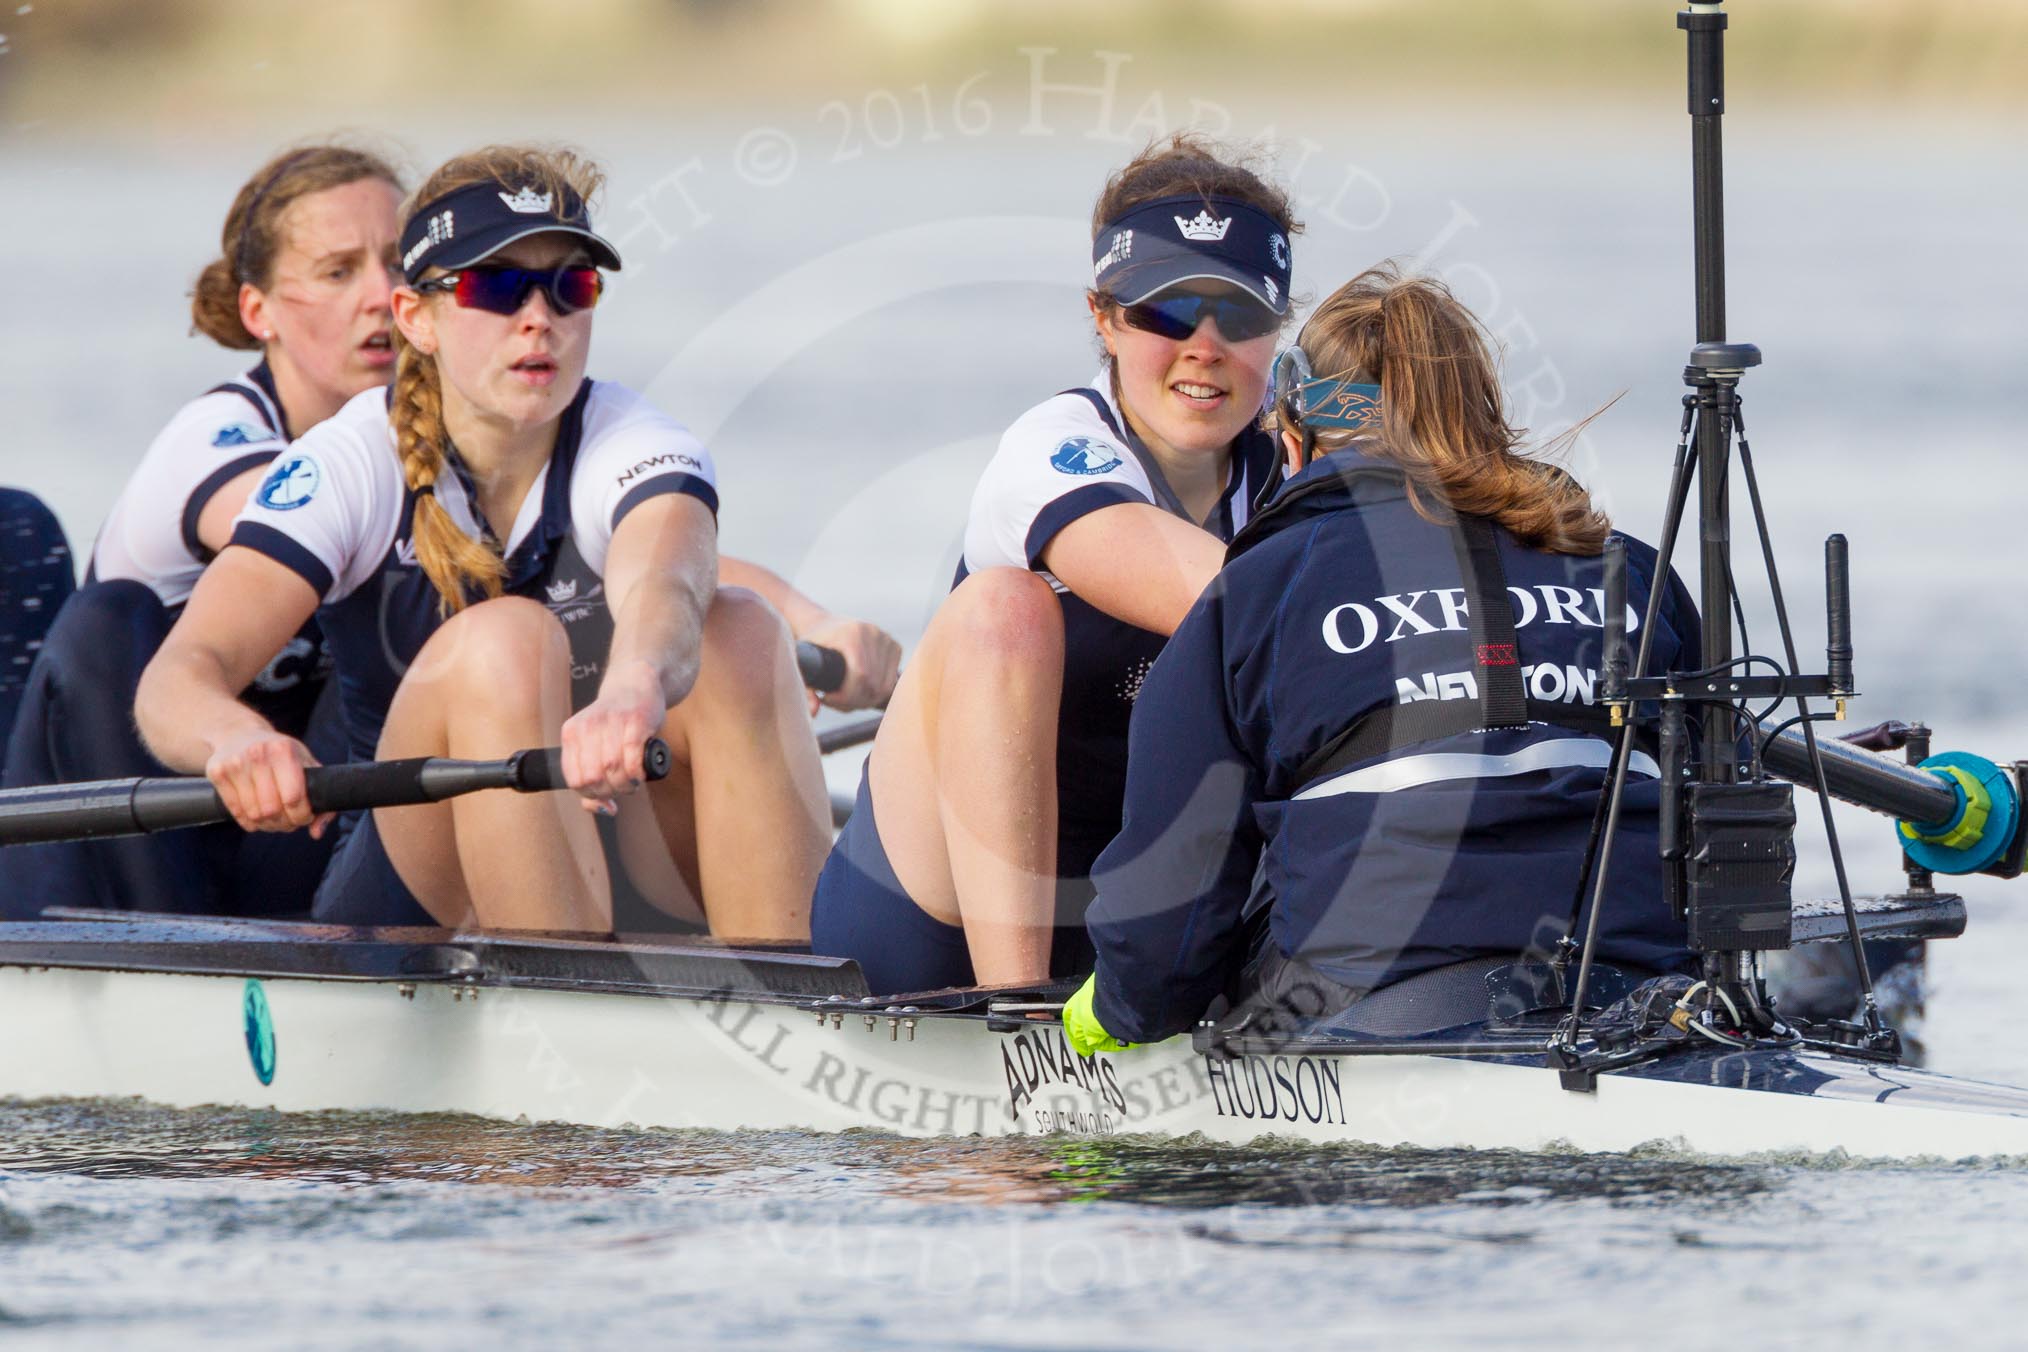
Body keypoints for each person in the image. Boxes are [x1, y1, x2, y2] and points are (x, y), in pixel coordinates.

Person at [135, 144, 832, 936]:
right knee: (505, 639)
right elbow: (178, 679)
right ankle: (565, 1010)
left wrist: (637, 682)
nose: (539, 317)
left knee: (739, 630)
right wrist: (236, 737)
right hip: (411, 889)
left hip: (618, 844)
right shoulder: (350, 461)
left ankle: (804, 1011)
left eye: (569, 285)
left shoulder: (636, 441)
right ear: (415, 318)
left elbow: (667, 581)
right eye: (495, 286)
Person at [1064, 263, 1702, 1054]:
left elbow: (1174, 893)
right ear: (1484, 417)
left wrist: (1124, 1012)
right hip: (1636, 990)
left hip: (1375, 1008)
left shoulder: (1255, 589)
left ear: (1295, 435)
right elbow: (1722, 814)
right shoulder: (1635, 570)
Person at [811, 134, 1297, 993]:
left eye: (1242, 314)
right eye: (1169, 311)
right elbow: (1210, 592)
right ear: (1104, 317)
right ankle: (1019, 1020)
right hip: (933, 923)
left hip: (1150, 927)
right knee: (1006, 608)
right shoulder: (1052, 450)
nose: (1206, 346)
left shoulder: (1300, 467)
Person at [1, 143, 405, 919]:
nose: (382, 296)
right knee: (106, 615)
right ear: (260, 313)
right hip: (105, 865)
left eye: (398, 265)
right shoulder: (215, 437)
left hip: (280, 836)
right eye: (338, 271)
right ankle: (171, 961)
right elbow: (323, 517)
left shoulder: (438, 455)